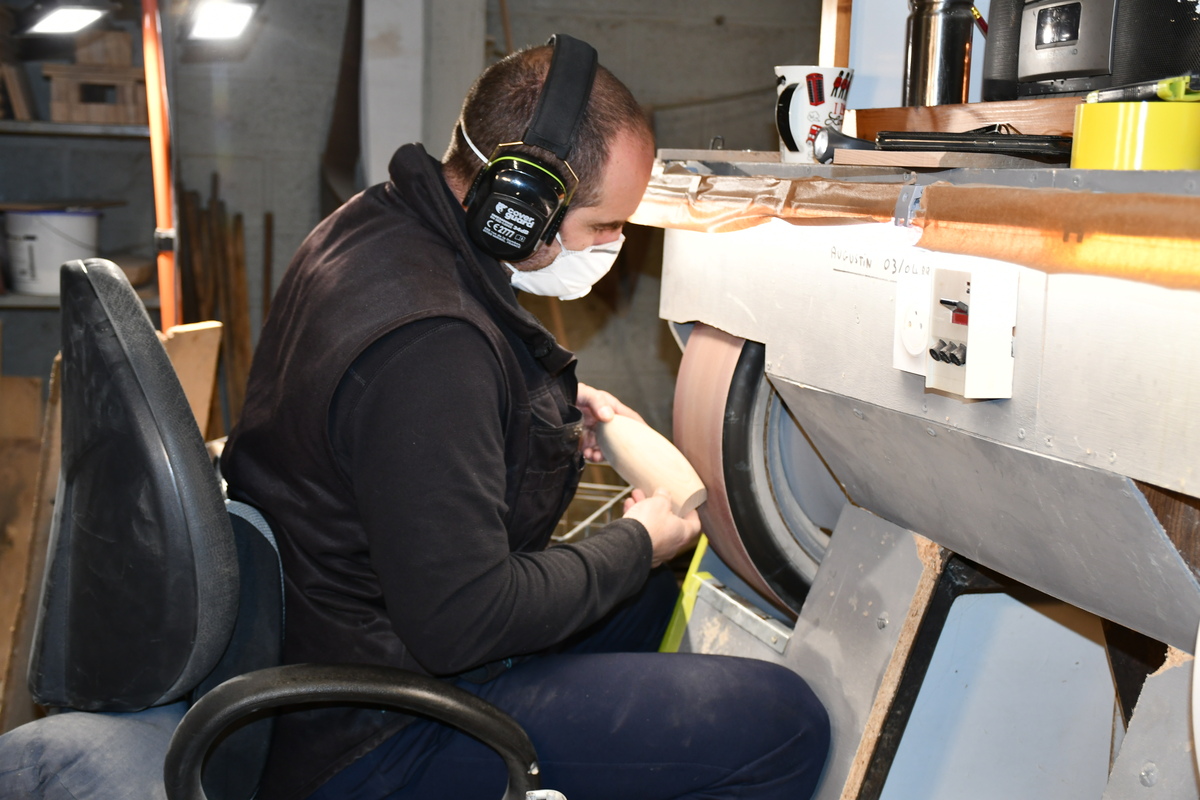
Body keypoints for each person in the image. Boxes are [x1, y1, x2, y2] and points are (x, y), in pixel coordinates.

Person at [221, 33, 830, 800]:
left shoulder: (377, 228)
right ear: (518, 204)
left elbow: (399, 426)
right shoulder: (431, 349)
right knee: (783, 722)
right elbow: (463, 621)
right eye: (605, 224)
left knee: (651, 595)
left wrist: (519, 402)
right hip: (372, 733)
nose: (614, 246)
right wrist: (640, 537)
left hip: (349, 645)